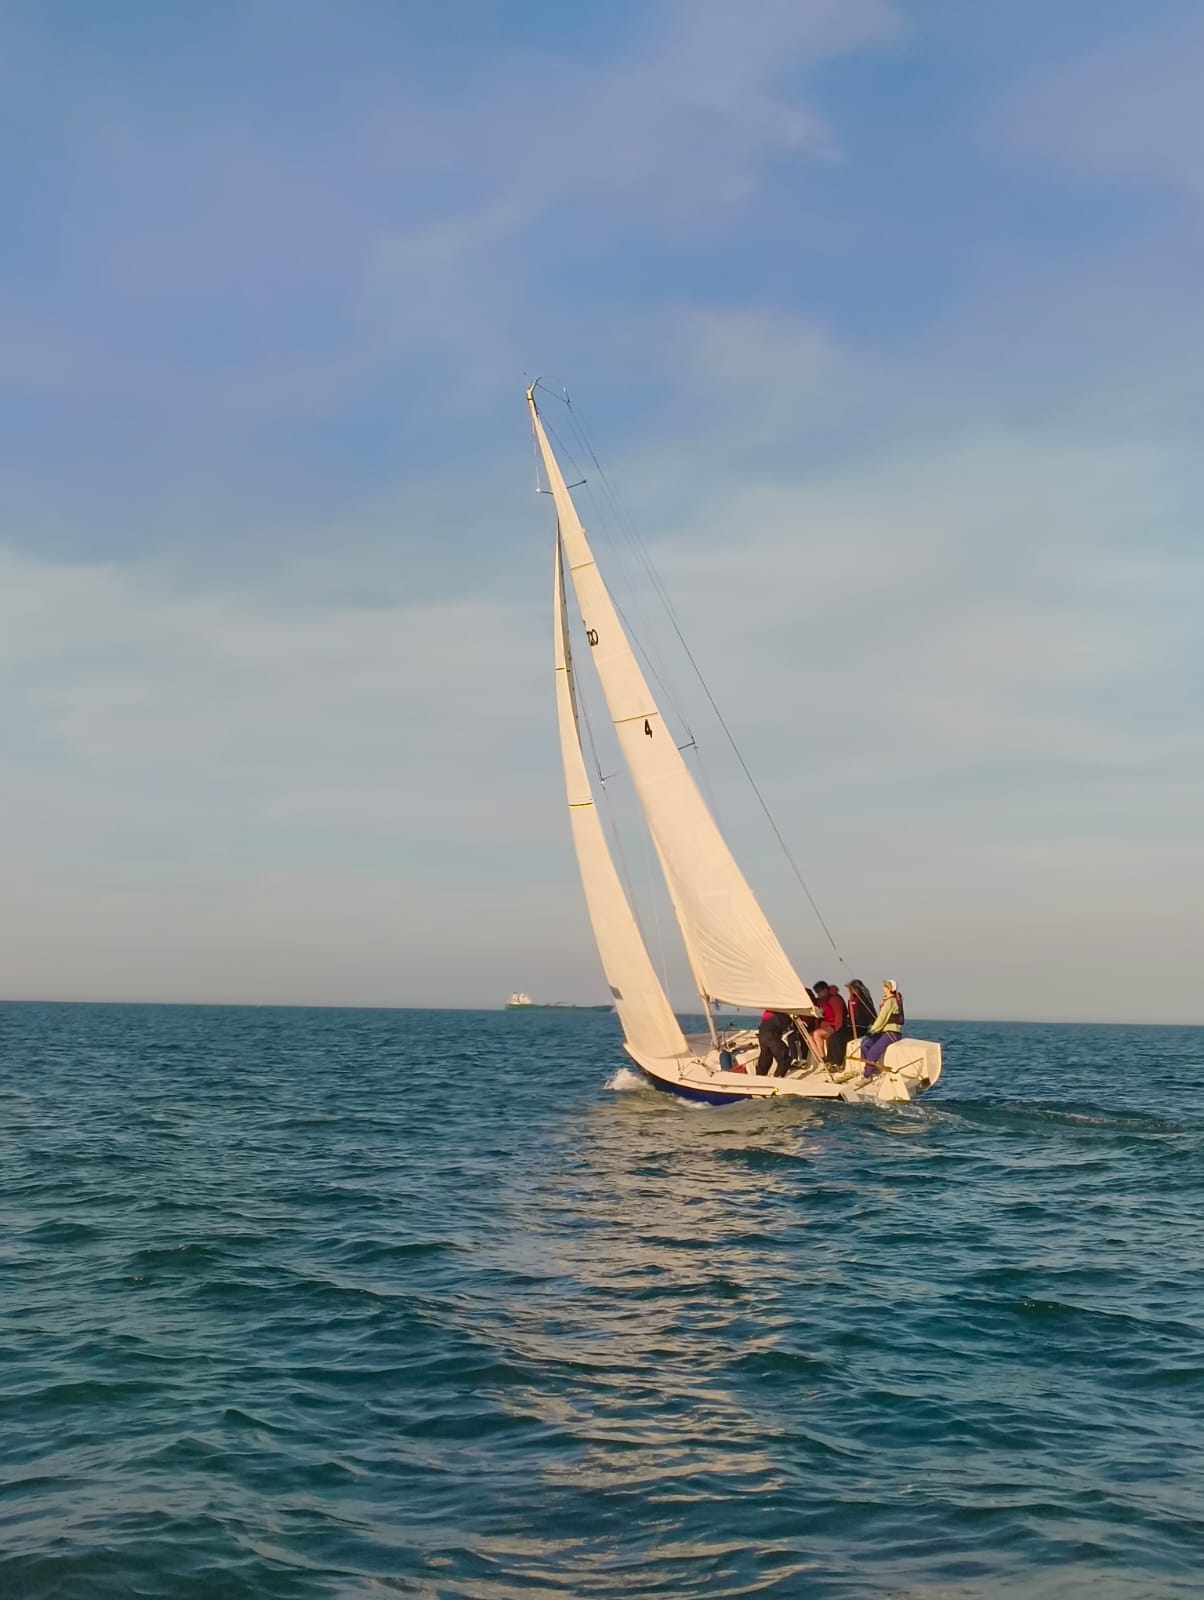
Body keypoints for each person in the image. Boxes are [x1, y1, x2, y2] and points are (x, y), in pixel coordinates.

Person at [859, 980, 905, 1072]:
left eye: (885, 987)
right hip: (884, 1031)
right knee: (865, 1044)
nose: (883, 989)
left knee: (872, 1053)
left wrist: (872, 1030)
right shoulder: (887, 1000)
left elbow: (882, 1018)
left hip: (892, 1032)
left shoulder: (890, 1001)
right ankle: (871, 1068)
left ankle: (867, 1075)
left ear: (889, 989)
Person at [756, 1010, 794, 1076]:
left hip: (762, 1033)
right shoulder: (783, 1011)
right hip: (771, 1034)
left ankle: (759, 1077)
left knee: (766, 1057)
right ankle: (777, 1078)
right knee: (784, 1060)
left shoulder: (770, 1010)